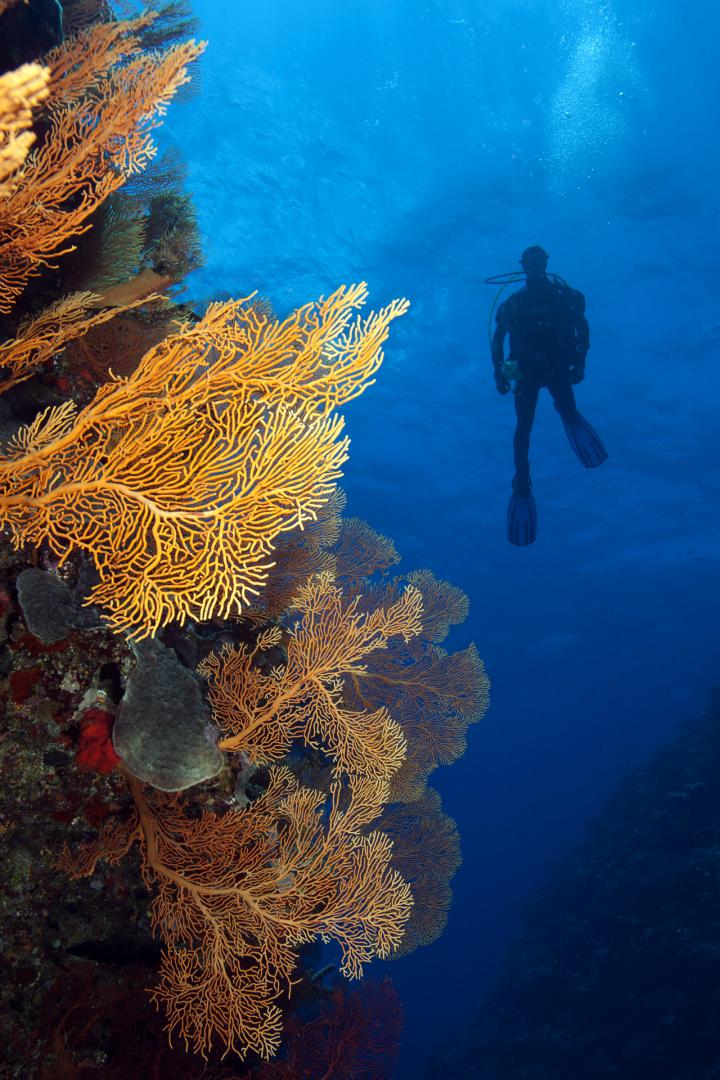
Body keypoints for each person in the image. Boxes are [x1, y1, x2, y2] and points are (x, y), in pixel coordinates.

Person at [491, 245, 607, 546]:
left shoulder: (561, 297)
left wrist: (579, 363)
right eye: (530, 261)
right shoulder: (518, 303)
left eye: (537, 261)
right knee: (524, 429)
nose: (533, 265)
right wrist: (498, 373)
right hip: (531, 372)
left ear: (543, 262)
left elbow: (582, 330)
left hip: (553, 369)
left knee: (555, 417)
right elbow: (497, 339)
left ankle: (525, 478)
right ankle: (522, 481)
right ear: (523, 265)